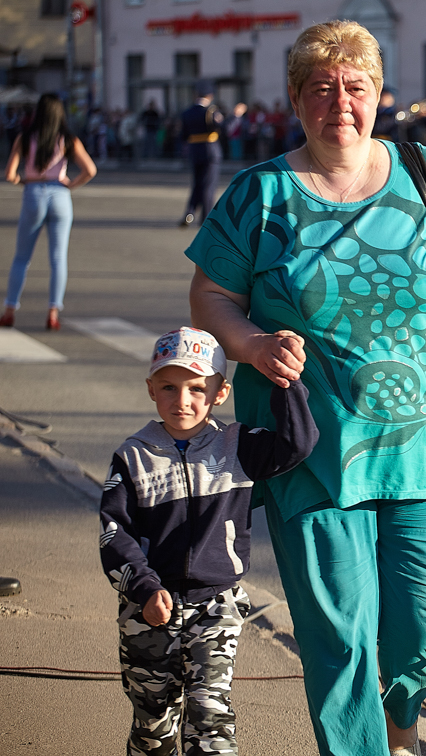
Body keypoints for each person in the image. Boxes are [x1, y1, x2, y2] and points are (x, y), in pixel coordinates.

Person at [186, 19, 426, 756]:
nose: (339, 103)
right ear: (296, 99)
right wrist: (251, 343)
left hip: (423, 446)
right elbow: (211, 295)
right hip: (312, 453)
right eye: (322, 89)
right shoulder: (261, 195)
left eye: (356, 87)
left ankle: (401, 722)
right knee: (338, 636)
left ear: (379, 93)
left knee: (423, 616)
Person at [99, 327, 317, 756]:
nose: (183, 400)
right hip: (149, 609)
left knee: (210, 711)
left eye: (197, 388)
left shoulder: (235, 446)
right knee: (153, 721)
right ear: (150, 389)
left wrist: (285, 380)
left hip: (217, 604)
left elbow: (297, 445)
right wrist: (144, 588)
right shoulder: (133, 456)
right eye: (169, 387)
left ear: (219, 393)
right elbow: (113, 533)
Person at [2, 92, 97, 331]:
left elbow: (10, 174)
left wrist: (26, 180)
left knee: (22, 257)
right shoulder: (67, 138)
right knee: (58, 257)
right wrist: (70, 184)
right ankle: (53, 312)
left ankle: (10, 309)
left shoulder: (25, 137)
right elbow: (90, 169)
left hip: (34, 193)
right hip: (60, 196)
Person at [180, 80, 224, 227]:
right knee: (209, 186)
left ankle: (189, 213)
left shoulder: (187, 113)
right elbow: (224, 128)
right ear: (210, 96)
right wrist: (236, 115)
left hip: (194, 150)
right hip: (210, 151)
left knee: (197, 184)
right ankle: (205, 218)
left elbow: (183, 135)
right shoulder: (210, 112)